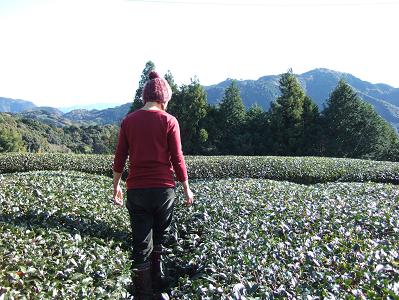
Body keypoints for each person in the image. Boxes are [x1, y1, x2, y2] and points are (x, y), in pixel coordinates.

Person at [112, 71, 194, 299]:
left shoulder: (129, 121)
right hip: (163, 191)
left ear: (145, 97)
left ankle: (144, 292)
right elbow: (177, 158)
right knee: (159, 238)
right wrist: (186, 188)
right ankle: (158, 285)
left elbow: (120, 157)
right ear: (163, 98)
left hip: (137, 190)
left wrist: (116, 186)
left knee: (141, 243)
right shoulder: (169, 121)